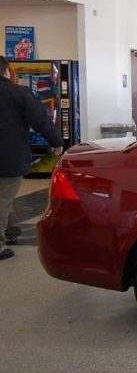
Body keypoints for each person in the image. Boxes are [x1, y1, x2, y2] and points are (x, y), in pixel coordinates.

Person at [0, 55, 63, 259]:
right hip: (9, 157)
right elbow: (39, 119)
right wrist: (56, 142)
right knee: (3, 198)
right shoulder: (18, 93)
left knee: (3, 197)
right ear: (7, 71)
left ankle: (11, 229)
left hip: (9, 157)